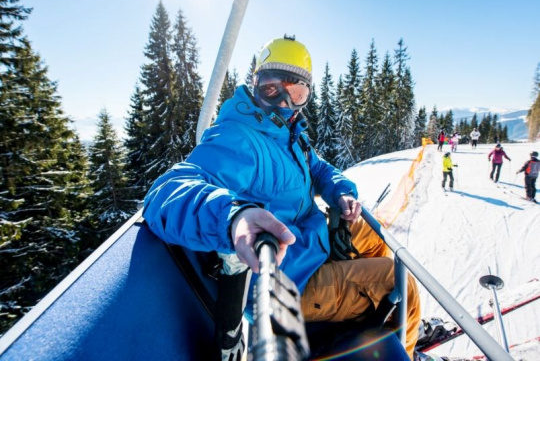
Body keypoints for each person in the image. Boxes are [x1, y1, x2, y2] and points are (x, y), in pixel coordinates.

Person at [142, 35, 421, 360]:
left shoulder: (287, 133)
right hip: (288, 278)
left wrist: (341, 191)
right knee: (403, 284)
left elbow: (318, 167)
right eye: (272, 89)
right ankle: (406, 351)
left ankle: (370, 307)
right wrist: (232, 216)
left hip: (309, 242)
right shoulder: (238, 137)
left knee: (370, 232)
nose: (284, 104)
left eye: (296, 93)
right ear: (255, 84)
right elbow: (167, 190)